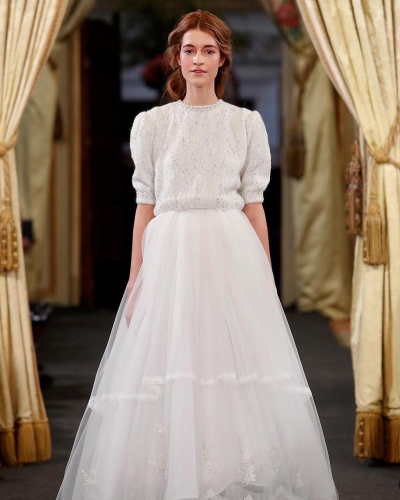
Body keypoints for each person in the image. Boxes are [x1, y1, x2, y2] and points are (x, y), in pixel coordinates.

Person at [56, 9, 338, 500]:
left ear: (222, 58)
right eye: (190, 50)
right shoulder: (152, 125)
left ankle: (223, 473)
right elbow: (145, 207)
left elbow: (254, 207)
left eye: (209, 51)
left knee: (228, 364)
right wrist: (135, 279)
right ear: (176, 57)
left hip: (230, 255)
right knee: (173, 363)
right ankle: (176, 475)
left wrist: (264, 277)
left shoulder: (245, 124)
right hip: (171, 258)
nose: (198, 60)